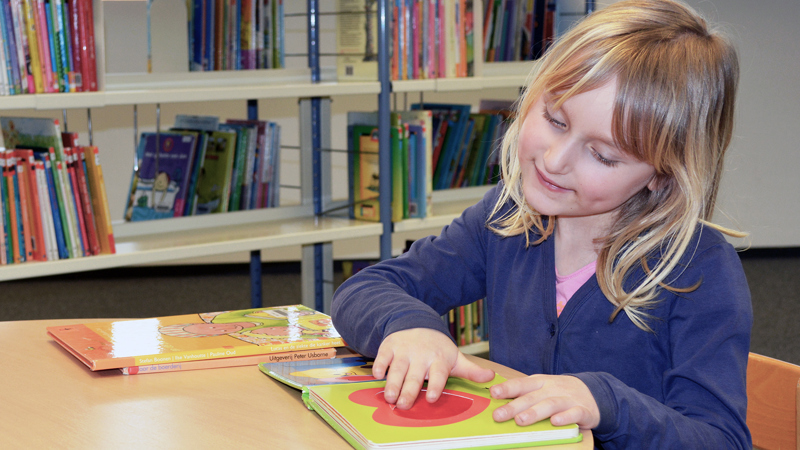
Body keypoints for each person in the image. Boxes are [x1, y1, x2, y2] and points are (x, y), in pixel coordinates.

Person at [331, 0, 752, 448]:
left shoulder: (700, 270)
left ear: (663, 174)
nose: (554, 160)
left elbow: (721, 440)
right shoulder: (507, 218)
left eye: (602, 155)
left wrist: (605, 403)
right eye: (555, 120)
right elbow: (365, 289)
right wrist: (408, 326)